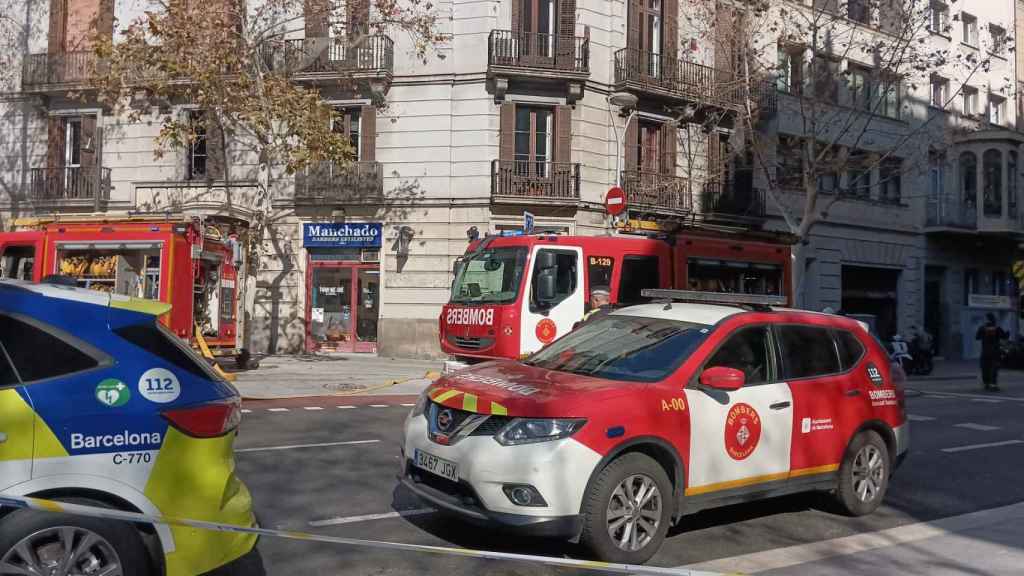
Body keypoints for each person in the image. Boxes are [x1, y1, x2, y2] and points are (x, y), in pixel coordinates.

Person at [977, 313, 1008, 391]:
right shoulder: (997, 328)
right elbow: (1004, 336)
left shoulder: (982, 328)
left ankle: (986, 383)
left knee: (985, 367)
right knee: (994, 368)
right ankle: (993, 384)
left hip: (985, 351)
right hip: (995, 351)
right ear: (993, 319)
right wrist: (1007, 333)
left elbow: (977, 337)